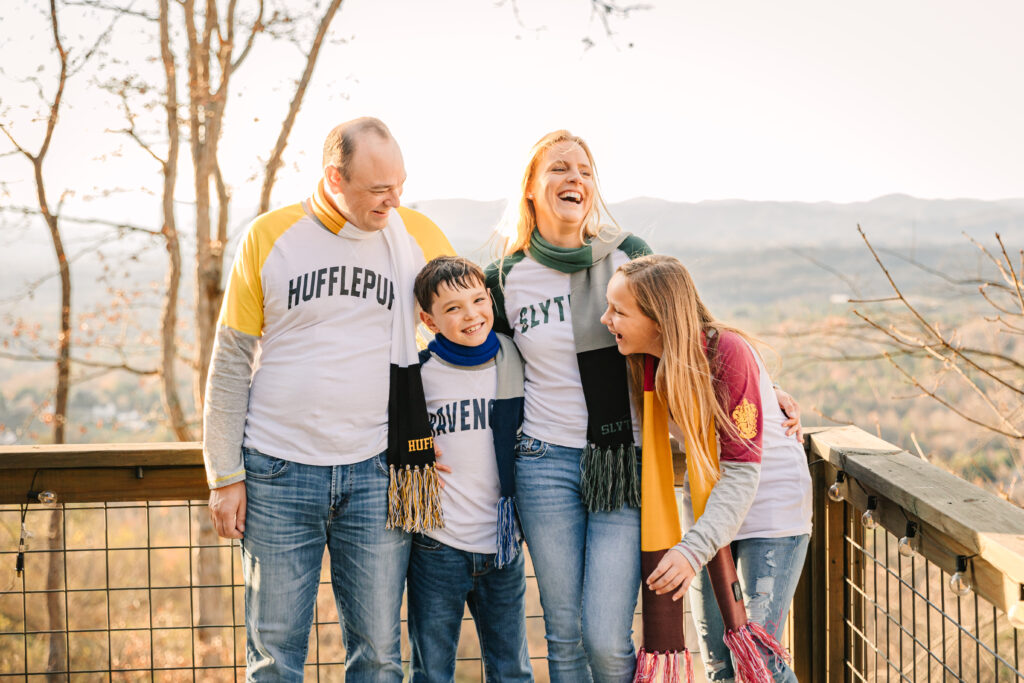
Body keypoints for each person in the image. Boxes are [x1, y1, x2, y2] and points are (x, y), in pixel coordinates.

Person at [486, 130, 802, 683]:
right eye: (559, 168)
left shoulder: (626, 255)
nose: (575, 179)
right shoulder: (506, 277)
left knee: (609, 640)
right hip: (542, 458)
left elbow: (679, 319)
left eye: (585, 170)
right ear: (531, 188)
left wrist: (757, 387)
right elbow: (480, 356)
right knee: (563, 634)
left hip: (623, 461)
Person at [201, 117, 453, 682]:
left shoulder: (418, 236)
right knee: (274, 658)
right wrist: (223, 473)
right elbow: (230, 363)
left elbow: (468, 337)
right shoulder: (270, 236)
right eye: (379, 189)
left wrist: (443, 435)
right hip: (277, 472)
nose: (394, 200)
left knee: (380, 655)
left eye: (401, 185)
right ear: (335, 178)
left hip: (377, 471)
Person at [601, 254, 812, 683]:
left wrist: (690, 549)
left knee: (757, 660)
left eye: (618, 311)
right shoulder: (645, 362)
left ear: (659, 320)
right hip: (706, 507)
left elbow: (740, 471)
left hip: (768, 508)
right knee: (719, 661)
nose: (605, 319)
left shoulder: (727, 352)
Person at [407, 255, 532, 683]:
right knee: (432, 670)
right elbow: (388, 436)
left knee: (511, 669)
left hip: (502, 544)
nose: (471, 314)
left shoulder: (516, 361)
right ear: (428, 319)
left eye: (478, 300)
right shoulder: (420, 376)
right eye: (453, 308)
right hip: (438, 545)